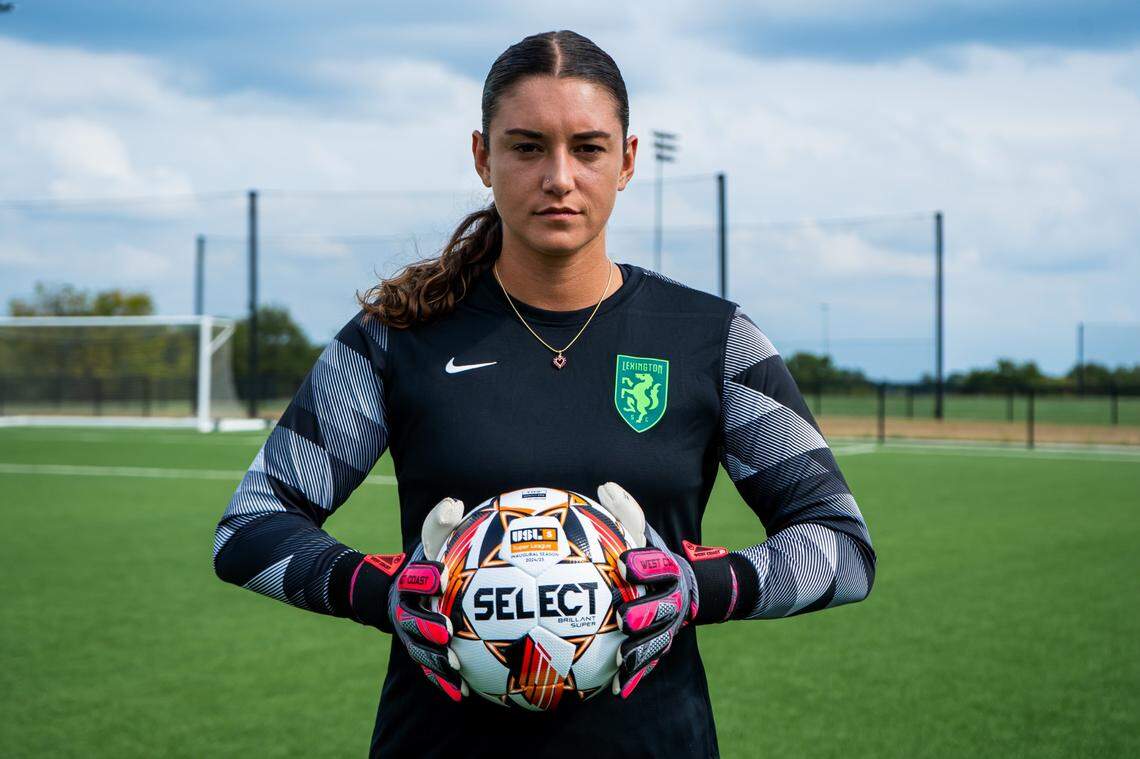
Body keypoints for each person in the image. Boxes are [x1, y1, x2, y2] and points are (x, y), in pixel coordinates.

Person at [212, 29, 875, 759]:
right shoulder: (397, 336)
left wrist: (695, 585)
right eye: (527, 147)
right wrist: (383, 591)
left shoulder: (712, 338)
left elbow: (841, 547)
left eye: (587, 148)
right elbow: (250, 526)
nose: (559, 176)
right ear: (482, 157)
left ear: (626, 162)